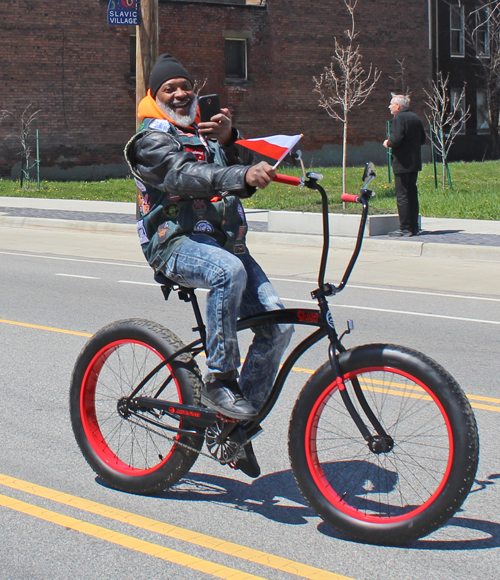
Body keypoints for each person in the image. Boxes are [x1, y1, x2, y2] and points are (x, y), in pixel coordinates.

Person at [124, 54, 293, 478]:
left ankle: (234, 429)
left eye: (185, 85)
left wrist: (230, 137)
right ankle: (220, 381)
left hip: (224, 242)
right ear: (154, 96)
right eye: (169, 89)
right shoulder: (149, 140)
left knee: (279, 325)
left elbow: (232, 171)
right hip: (174, 242)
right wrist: (237, 174)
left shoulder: (205, 133)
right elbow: (182, 176)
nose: (181, 94)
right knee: (227, 272)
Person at [383, 94, 426, 237]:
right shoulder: (416, 118)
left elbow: (396, 140)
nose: (389, 106)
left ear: (399, 106)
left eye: (391, 104)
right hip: (414, 162)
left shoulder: (398, 118)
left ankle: (405, 228)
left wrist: (387, 143)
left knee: (402, 195)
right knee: (412, 194)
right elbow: (422, 139)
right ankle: (414, 227)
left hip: (402, 162)